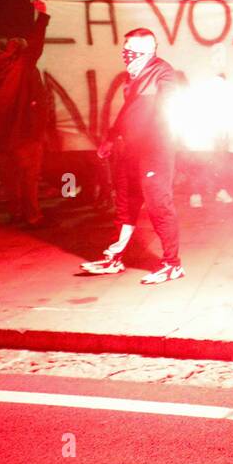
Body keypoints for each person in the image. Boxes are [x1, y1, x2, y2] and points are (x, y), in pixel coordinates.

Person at [80, 29, 184, 283]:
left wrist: (159, 132)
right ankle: (114, 258)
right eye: (125, 51)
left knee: (159, 204)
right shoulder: (135, 76)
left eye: (131, 52)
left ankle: (172, 264)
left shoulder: (162, 72)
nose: (126, 57)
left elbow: (170, 104)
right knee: (126, 205)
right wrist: (111, 138)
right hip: (131, 151)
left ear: (146, 52)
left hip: (154, 152)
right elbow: (129, 110)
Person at [0, 0, 51, 227]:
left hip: (3, 135)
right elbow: (37, 44)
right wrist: (42, 17)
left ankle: (15, 213)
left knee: (10, 178)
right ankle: (33, 216)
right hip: (24, 132)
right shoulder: (21, 67)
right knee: (30, 177)